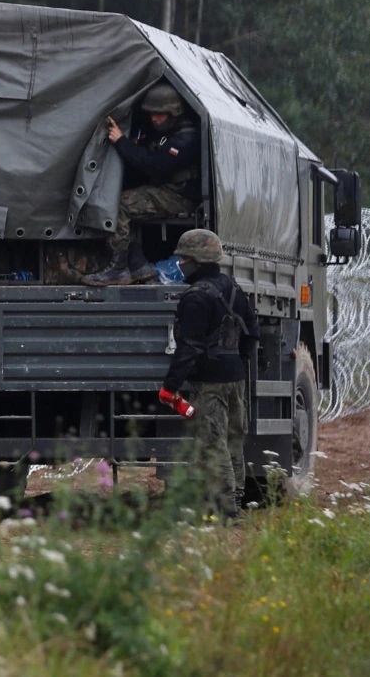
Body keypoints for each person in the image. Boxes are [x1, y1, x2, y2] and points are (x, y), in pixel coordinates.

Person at [160, 229, 256, 520]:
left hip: (210, 382)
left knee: (213, 445)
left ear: (198, 261)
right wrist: (239, 363)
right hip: (235, 377)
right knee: (233, 441)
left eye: (185, 258)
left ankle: (226, 510)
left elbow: (189, 347)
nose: (181, 264)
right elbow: (252, 333)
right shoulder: (234, 289)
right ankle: (236, 499)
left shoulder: (195, 298)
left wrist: (170, 386)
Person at [85, 81, 202, 286]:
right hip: (165, 191)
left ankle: (118, 269)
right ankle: (139, 266)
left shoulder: (186, 137)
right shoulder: (162, 131)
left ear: (174, 113)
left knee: (120, 205)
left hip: (179, 196)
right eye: (151, 114)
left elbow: (157, 165)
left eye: (160, 114)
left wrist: (122, 142)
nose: (154, 119)